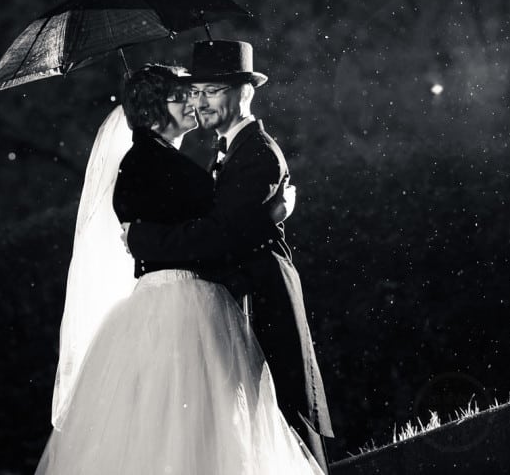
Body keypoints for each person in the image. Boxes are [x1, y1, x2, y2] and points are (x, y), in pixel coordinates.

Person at [36, 63, 323, 475]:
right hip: (182, 302)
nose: (192, 103)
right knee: (194, 419)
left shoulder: (161, 161)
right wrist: (272, 213)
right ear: (153, 110)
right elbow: (212, 232)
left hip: (174, 299)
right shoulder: (150, 164)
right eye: (180, 96)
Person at [124, 41, 334, 472]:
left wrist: (145, 241)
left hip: (264, 298)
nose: (201, 103)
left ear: (246, 93)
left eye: (213, 91)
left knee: (284, 419)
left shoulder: (256, 152)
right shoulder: (224, 151)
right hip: (241, 298)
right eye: (195, 92)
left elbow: (222, 235)